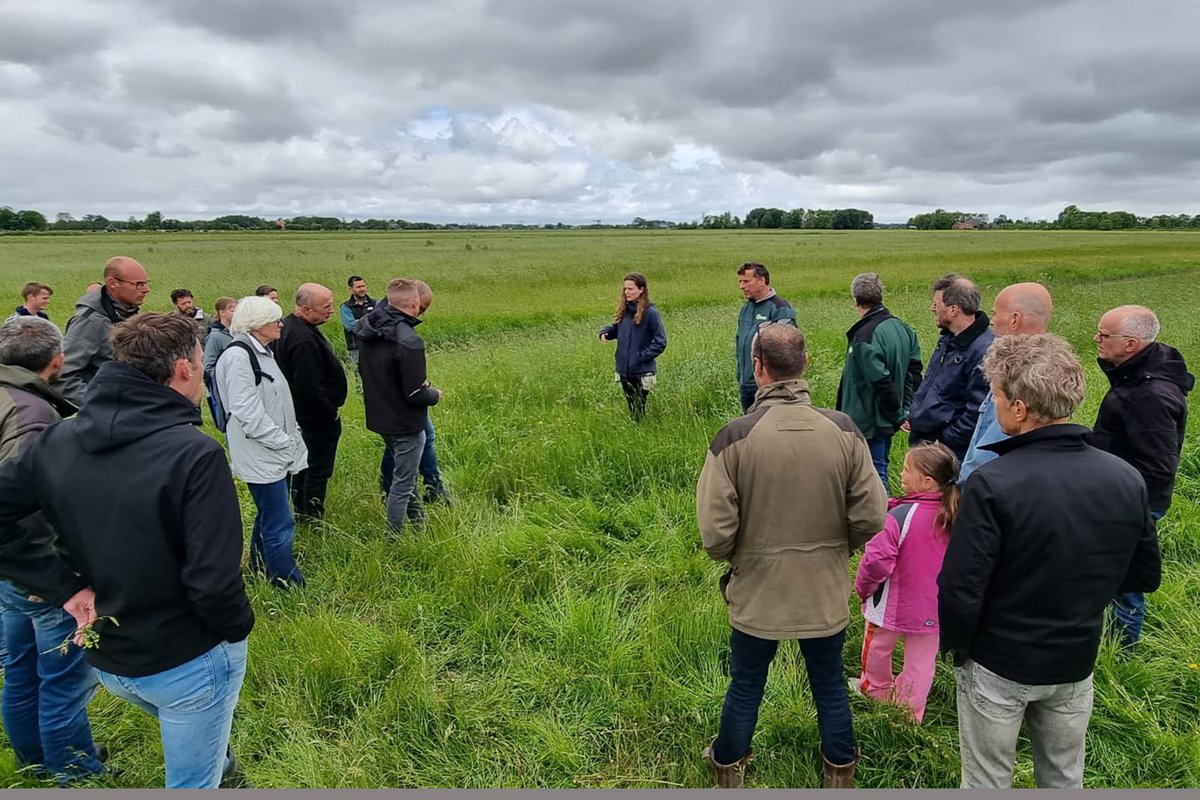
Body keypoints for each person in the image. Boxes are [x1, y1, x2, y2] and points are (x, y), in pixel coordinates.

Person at [0, 313, 254, 788]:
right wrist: (236, 633)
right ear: (183, 368)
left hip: (110, 657)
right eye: (201, 362)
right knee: (192, 782)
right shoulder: (193, 454)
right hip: (187, 656)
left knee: (201, 742)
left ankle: (224, 766)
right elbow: (214, 582)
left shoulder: (58, 438)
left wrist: (65, 589)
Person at [938, 334, 1161, 788]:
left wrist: (958, 650)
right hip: (1075, 658)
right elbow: (1144, 574)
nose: (994, 405)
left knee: (986, 780)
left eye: (996, 395)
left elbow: (960, 588)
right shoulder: (1125, 478)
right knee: (1063, 777)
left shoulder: (991, 483)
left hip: (999, 660)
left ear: (1019, 408)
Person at [696, 324, 886, 789]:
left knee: (745, 684)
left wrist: (744, 555)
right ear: (805, 365)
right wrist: (837, 548)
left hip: (757, 589)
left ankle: (728, 768)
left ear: (757, 367)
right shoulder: (844, 430)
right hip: (823, 589)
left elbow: (715, 534)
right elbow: (872, 514)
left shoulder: (733, 437)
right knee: (828, 686)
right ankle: (839, 774)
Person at [0, 317, 105, 783]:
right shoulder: (32, 416)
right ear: (57, 362)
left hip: (10, 568)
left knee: (20, 673)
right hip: (39, 570)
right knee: (63, 682)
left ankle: (35, 762)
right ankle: (76, 776)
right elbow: (22, 503)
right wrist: (62, 582)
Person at [1091, 305, 1193, 649]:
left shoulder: (1151, 394)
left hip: (1132, 503)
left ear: (1132, 343)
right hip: (1119, 496)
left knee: (1125, 579)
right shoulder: (1135, 373)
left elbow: (1158, 467)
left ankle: (1120, 654)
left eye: (1105, 335)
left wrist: (1116, 496)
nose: (1096, 339)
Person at [853, 442, 959, 723]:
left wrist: (863, 589)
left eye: (906, 469)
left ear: (926, 482)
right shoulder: (955, 516)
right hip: (936, 607)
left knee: (877, 647)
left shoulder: (896, 516)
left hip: (889, 605)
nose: (900, 473)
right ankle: (910, 713)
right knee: (922, 662)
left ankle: (874, 690)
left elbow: (876, 561)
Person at [215, 297, 308, 588]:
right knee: (280, 522)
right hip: (262, 452)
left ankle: (259, 567)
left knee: (269, 514)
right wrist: (282, 441)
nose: (280, 324)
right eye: (274, 320)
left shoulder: (262, 352)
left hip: (275, 451)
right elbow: (247, 413)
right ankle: (286, 582)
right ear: (256, 325)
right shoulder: (238, 357)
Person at [356, 279, 441, 534]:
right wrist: (434, 394)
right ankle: (393, 538)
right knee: (402, 484)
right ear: (415, 303)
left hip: (380, 414)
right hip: (405, 421)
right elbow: (415, 393)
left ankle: (419, 524)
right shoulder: (409, 341)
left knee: (407, 474)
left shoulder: (368, 327)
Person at [958, 283, 1053, 481]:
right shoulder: (1051, 368)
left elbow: (989, 450)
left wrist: (965, 488)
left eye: (995, 313)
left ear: (1014, 320)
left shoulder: (1016, 373)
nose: (992, 321)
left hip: (990, 489)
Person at [836, 272, 923, 487]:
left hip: (868, 421)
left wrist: (896, 414)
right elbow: (914, 373)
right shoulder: (903, 328)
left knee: (872, 477)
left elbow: (879, 380)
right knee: (879, 467)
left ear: (855, 299)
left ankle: (881, 520)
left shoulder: (864, 335)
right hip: (887, 418)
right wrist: (907, 408)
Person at [275, 284, 347, 521]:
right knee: (316, 468)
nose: (332, 311)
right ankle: (312, 516)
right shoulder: (302, 339)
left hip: (302, 415)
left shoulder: (291, 326)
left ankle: (301, 510)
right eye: (326, 307)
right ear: (306, 308)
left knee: (303, 465)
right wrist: (330, 413)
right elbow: (308, 386)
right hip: (314, 419)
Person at [904, 274, 993, 461]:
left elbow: (976, 411)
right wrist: (916, 413)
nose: (932, 308)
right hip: (928, 442)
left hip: (948, 454)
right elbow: (933, 384)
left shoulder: (984, 350)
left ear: (953, 310)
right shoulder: (949, 338)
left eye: (937, 304)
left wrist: (943, 443)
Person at [59, 257, 149, 404]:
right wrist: (102, 405)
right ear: (113, 283)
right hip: (112, 416)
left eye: (145, 283)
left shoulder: (125, 314)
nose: (146, 289)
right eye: (138, 284)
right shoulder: (89, 322)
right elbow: (63, 376)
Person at [599, 272, 667, 421]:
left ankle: (642, 433)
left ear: (641, 289)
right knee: (632, 406)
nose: (626, 292)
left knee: (639, 407)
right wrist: (605, 332)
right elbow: (618, 330)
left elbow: (661, 342)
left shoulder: (650, 313)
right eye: (625, 289)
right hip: (624, 369)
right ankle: (637, 431)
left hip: (642, 371)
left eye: (630, 289)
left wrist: (641, 357)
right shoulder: (625, 311)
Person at [734, 262, 797, 412]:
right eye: (740, 282)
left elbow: (788, 349)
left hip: (770, 387)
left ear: (761, 280)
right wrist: (740, 377)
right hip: (746, 385)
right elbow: (740, 344)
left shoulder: (780, 309)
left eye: (746, 281)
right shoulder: (746, 309)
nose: (742, 286)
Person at [202, 298, 237, 426]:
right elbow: (208, 366)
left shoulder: (237, 334)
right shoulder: (215, 337)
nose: (236, 313)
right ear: (222, 312)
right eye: (232, 310)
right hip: (224, 390)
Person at [339, 275, 376, 369]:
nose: (362, 289)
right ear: (351, 289)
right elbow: (350, 326)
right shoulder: (346, 307)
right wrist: (370, 319)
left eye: (363, 286)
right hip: (356, 348)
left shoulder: (375, 303)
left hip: (373, 345)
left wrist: (359, 321)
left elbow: (381, 322)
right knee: (357, 377)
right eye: (358, 287)